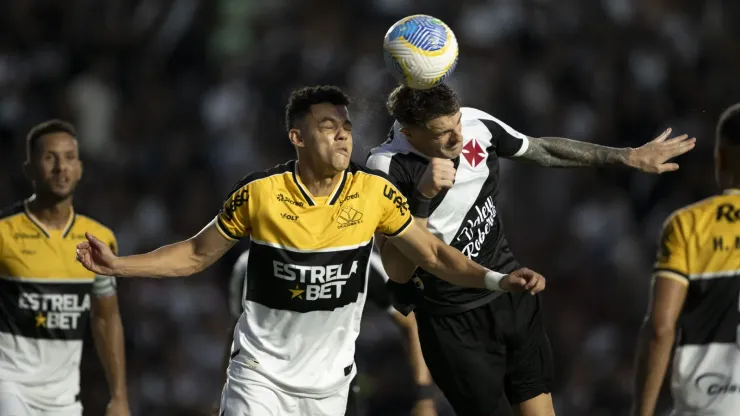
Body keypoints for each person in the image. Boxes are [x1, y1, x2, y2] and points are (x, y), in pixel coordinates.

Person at [75, 85, 546, 416]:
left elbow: (435, 255)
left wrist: (497, 278)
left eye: (345, 125)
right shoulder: (259, 194)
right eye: (327, 127)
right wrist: (119, 264)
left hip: (330, 388)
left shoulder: (374, 194)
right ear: (297, 138)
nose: (343, 135)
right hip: (260, 376)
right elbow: (196, 254)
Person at [366, 84, 696, 416]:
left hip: (512, 294)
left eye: (457, 124)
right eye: (442, 134)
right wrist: (422, 197)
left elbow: (540, 150)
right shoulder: (386, 167)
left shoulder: (476, 123)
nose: (458, 139)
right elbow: (398, 270)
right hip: (452, 322)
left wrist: (626, 156)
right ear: (409, 133)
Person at [0, 120, 129, 416]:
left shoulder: (98, 238)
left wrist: (119, 396)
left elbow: (106, 320)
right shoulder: (3, 233)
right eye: (49, 158)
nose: (61, 167)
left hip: (63, 399)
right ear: (29, 170)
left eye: (69, 157)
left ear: (80, 168)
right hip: (9, 386)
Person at [225, 247, 439, 416]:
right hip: (265, 386)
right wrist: (223, 395)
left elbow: (410, 322)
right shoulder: (251, 262)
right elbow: (236, 334)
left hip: (333, 391)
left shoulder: (361, 260)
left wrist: (424, 396)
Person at [631, 103, 740, 416]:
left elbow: (661, 327)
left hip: (707, 405)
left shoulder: (687, 225)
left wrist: (643, 411)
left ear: (719, 160)